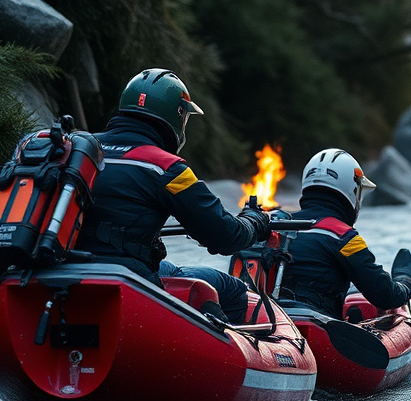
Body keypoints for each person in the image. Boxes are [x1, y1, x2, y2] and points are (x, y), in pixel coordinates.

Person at [76, 68, 270, 324]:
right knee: (231, 287)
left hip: (63, 268)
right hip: (127, 279)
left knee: (170, 269)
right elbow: (226, 237)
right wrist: (255, 221)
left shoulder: (78, 152)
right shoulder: (167, 168)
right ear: (176, 116)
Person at [275, 148, 411, 319]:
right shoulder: (344, 238)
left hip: (270, 321)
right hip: (313, 325)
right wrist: (405, 281)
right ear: (351, 190)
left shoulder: (276, 226)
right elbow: (386, 296)